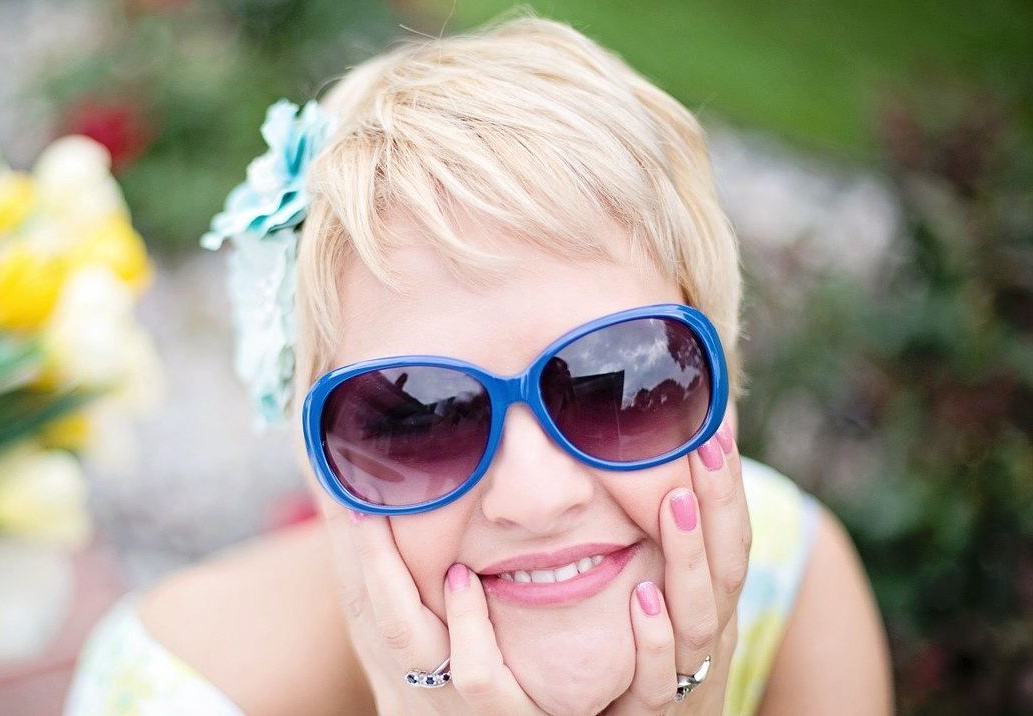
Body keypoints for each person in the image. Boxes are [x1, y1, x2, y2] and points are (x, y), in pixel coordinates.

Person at [65, 11, 893, 715]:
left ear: (723, 377)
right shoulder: (168, 691)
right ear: (312, 459)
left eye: (620, 383)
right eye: (419, 420)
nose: (538, 498)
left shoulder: (798, 588)